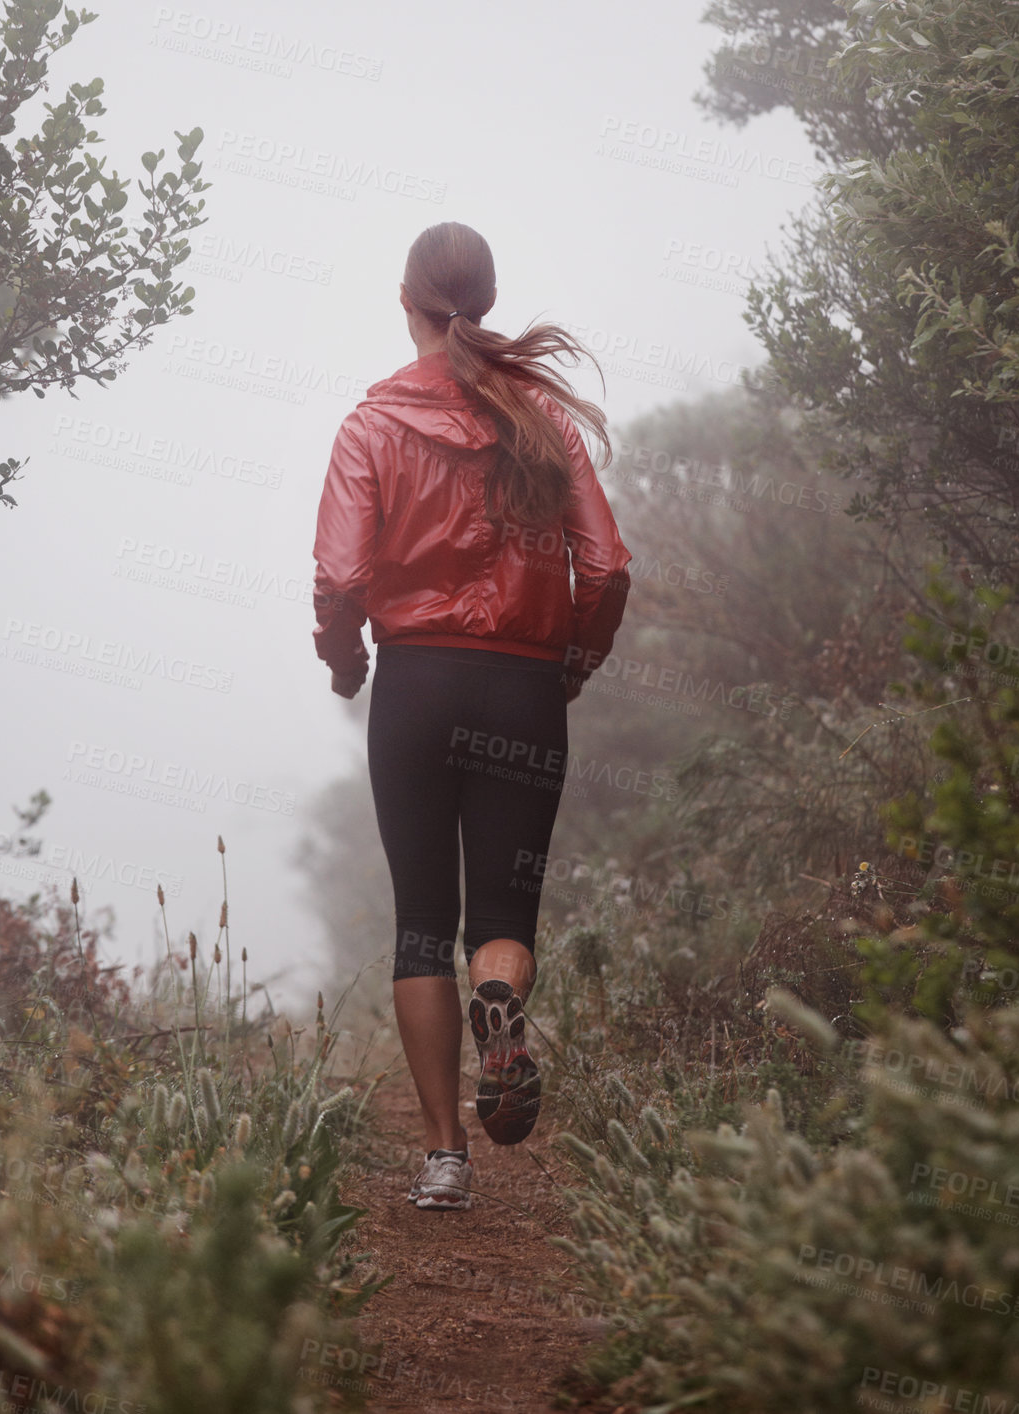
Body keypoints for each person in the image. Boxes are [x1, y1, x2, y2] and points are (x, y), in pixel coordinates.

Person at [311, 221, 632, 1212]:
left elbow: (340, 575)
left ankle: (446, 1155)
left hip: (416, 684)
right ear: (485, 302)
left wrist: (346, 657)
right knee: (501, 916)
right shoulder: (542, 421)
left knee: (421, 924)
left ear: (405, 300)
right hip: (522, 687)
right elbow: (608, 564)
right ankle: (502, 1009)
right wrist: (572, 657)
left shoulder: (372, 423)